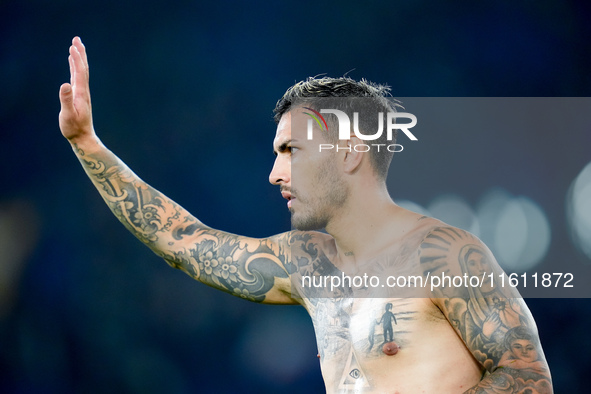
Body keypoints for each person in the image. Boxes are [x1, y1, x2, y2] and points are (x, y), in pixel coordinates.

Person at [59, 37, 553, 393]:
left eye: (291, 149)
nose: (275, 174)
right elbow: (183, 241)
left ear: (350, 152)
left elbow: (529, 379)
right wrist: (87, 143)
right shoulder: (307, 264)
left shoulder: (445, 254)